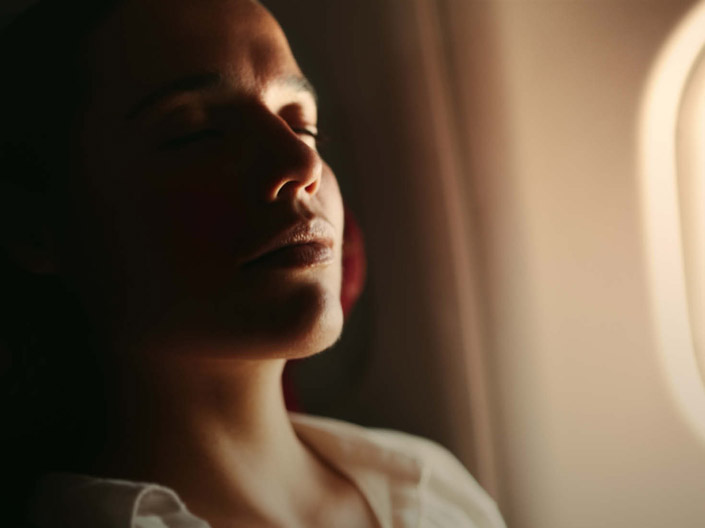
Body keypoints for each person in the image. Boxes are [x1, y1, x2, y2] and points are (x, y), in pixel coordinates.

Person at [0, 0, 507, 526]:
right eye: (196, 134)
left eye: (302, 124)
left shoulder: (431, 487)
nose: (301, 162)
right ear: (33, 226)